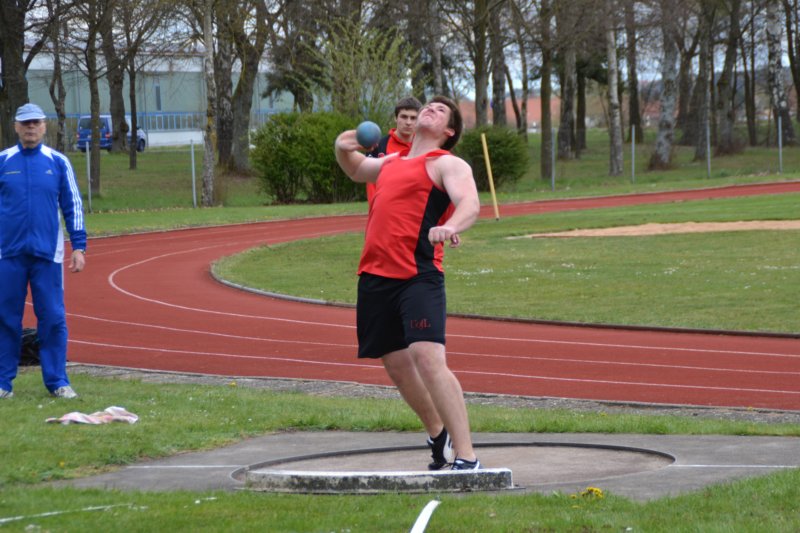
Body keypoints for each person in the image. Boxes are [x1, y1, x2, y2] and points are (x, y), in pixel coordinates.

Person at [335, 95, 482, 470]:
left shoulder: (446, 163)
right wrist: (341, 146)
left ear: (449, 131)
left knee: (428, 357)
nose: (430, 108)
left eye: (440, 110)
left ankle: (467, 457)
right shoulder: (391, 162)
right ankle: (438, 434)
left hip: (416, 274)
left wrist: (451, 225)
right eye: (428, 104)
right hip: (374, 275)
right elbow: (356, 169)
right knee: (397, 364)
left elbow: (470, 203)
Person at [0, 103, 87, 399]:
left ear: (44, 126)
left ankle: (57, 381)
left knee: (52, 317)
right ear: (16, 127)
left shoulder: (58, 162)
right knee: (5, 318)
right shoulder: (4, 161)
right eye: (25, 123)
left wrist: (79, 246)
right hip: (7, 255)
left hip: (47, 256)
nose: (30, 128)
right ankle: (3, 383)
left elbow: (73, 205)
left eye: (35, 122)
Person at [364, 96, 422, 206]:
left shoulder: (424, 147)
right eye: (404, 117)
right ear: (396, 118)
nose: (408, 122)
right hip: (386, 207)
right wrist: (375, 208)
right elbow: (371, 183)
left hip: (415, 209)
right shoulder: (378, 146)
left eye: (413, 118)